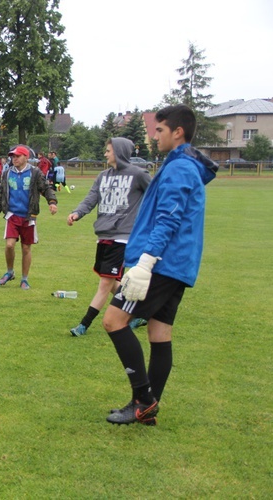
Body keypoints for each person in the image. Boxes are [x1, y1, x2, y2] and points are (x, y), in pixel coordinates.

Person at [101, 104, 217, 425]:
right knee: (159, 332)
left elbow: (168, 219)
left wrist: (145, 263)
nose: (155, 135)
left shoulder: (180, 168)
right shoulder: (180, 165)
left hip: (162, 264)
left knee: (113, 321)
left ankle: (144, 399)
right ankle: (146, 408)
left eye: (160, 130)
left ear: (177, 132)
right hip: (177, 265)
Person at [66, 137, 152, 337]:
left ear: (120, 152)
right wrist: (77, 213)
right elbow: (91, 198)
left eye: (108, 150)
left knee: (105, 283)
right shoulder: (103, 176)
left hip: (123, 237)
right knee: (113, 282)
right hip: (103, 234)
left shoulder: (138, 174)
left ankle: (83, 325)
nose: (105, 154)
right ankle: (144, 310)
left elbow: (156, 195)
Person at [0, 145, 58, 289]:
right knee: (9, 245)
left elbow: (45, 188)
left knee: (26, 248)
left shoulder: (35, 173)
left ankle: (25, 279)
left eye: (17, 156)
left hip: (29, 217)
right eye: (12, 157)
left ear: (25, 157)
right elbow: (2, 193)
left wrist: (52, 202)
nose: (14, 159)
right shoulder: (7, 173)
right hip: (12, 216)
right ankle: (9, 272)